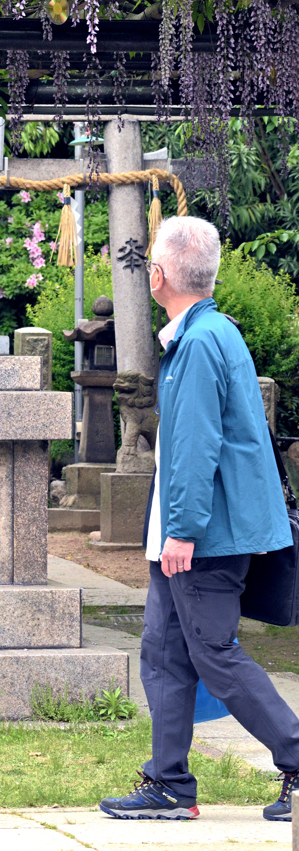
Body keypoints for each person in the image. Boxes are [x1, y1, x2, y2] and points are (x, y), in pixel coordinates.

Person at [99, 215, 299, 822]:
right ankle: (168, 783)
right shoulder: (206, 333)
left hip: (202, 536)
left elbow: (194, 444)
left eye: (149, 262)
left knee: (214, 652)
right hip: (186, 533)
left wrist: (181, 529)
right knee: (163, 652)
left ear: (159, 274)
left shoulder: (201, 341)